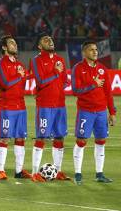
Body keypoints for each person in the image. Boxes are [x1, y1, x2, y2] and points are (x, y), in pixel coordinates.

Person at [71, 40, 116, 185]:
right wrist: (93, 84)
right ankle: (78, 173)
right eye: (91, 50)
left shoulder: (102, 69)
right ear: (84, 52)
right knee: (81, 141)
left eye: (96, 49)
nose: (95, 52)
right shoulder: (78, 68)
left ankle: (99, 174)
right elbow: (76, 91)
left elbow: (108, 92)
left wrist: (112, 112)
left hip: (101, 112)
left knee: (101, 141)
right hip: (86, 112)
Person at [29, 34, 70, 182]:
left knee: (59, 137)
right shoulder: (36, 60)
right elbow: (40, 81)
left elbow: (65, 81)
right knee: (42, 137)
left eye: (51, 39)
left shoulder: (60, 59)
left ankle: (58, 171)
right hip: (45, 105)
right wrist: (55, 73)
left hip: (60, 105)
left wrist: (58, 86)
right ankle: (34, 173)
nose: (50, 41)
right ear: (39, 46)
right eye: (45, 40)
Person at [0, 35, 32, 180]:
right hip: (7, 107)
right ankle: (0, 170)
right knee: (4, 139)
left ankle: (18, 171)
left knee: (20, 138)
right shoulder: (0, 64)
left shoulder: (20, 65)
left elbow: (22, 87)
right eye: (11, 43)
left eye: (15, 43)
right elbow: (5, 84)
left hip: (20, 107)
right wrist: (18, 76)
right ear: (4, 47)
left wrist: (19, 76)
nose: (15, 45)